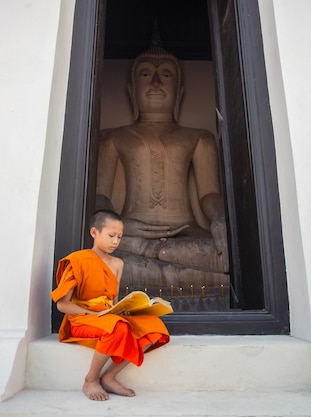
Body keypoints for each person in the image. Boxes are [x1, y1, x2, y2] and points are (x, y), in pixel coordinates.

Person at [96, 46, 229, 277]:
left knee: (216, 251)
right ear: (132, 91)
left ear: (179, 93)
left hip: (186, 236)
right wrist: (121, 226)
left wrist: (220, 217)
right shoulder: (112, 137)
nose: (156, 82)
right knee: (101, 256)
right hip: (129, 236)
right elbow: (100, 197)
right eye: (146, 75)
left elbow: (209, 194)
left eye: (166, 75)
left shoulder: (200, 138)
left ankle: (153, 254)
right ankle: (150, 252)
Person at [51, 209, 170, 401]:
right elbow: (62, 305)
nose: (115, 241)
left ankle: (108, 376)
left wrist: (123, 309)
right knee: (117, 327)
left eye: (120, 237)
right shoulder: (78, 260)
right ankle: (90, 380)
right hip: (82, 319)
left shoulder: (117, 264)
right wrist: (94, 314)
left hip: (109, 317)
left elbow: (113, 300)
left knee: (154, 328)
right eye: (111, 235)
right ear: (94, 233)